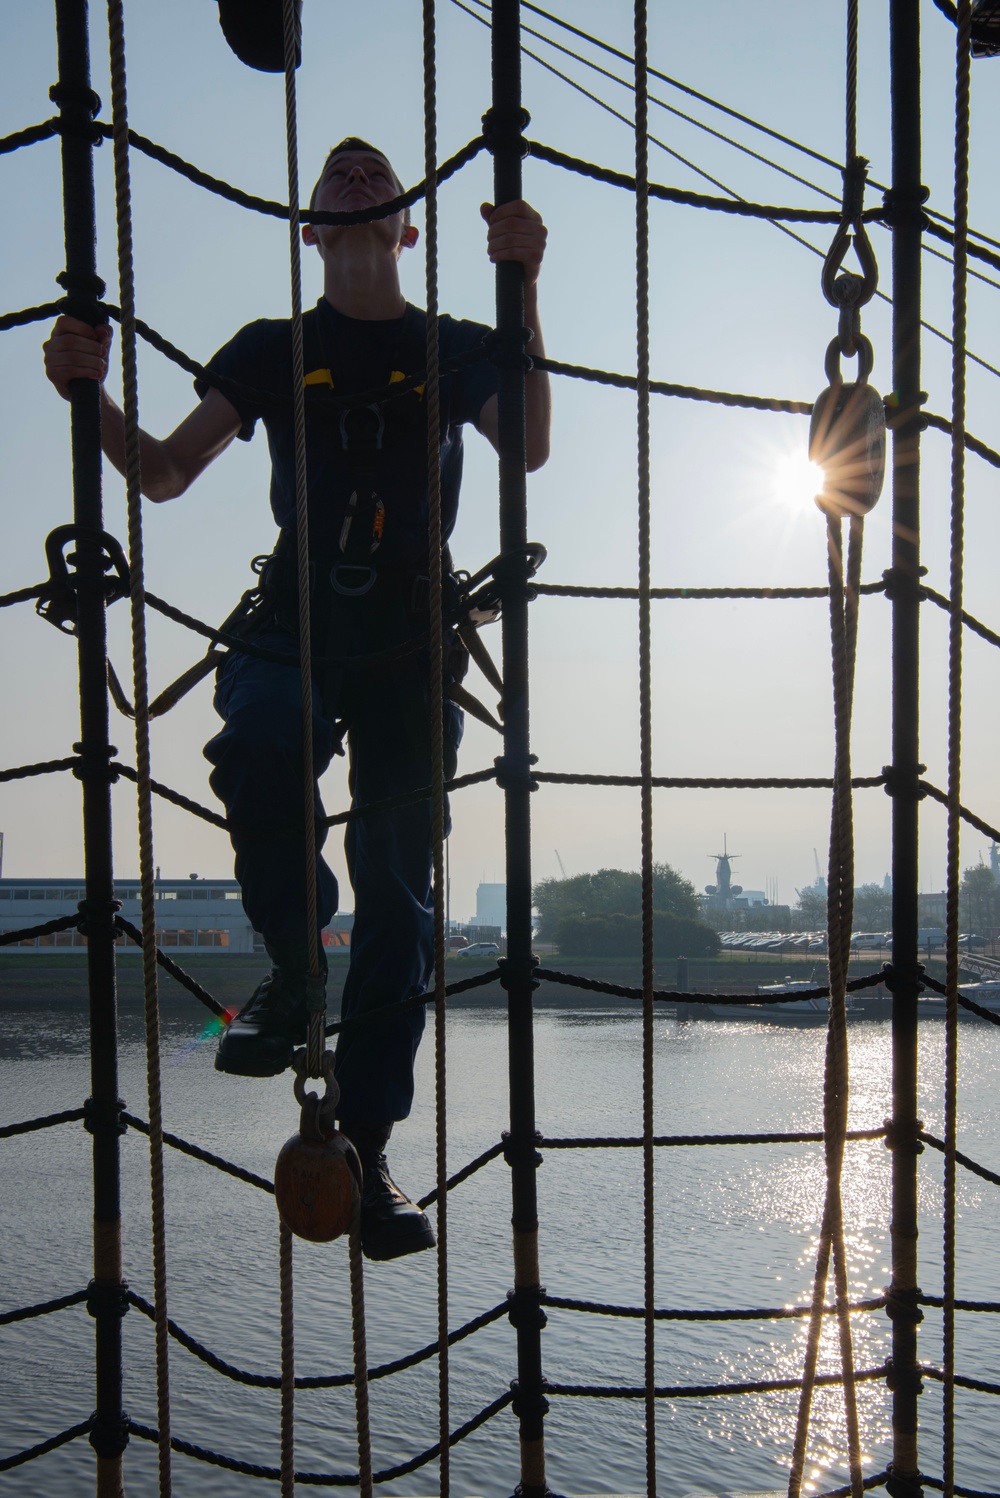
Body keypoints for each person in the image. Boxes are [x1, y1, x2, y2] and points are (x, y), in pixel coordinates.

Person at [43, 139, 550, 1260]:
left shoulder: (459, 345)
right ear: (311, 229)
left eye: (378, 177)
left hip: (411, 636)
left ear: (408, 229)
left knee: (401, 890)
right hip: (297, 620)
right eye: (340, 179)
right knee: (261, 738)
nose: (358, 173)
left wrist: (523, 291)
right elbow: (166, 473)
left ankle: (364, 1148)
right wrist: (86, 392)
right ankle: (292, 959)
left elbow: (530, 447)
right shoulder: (274, 350)